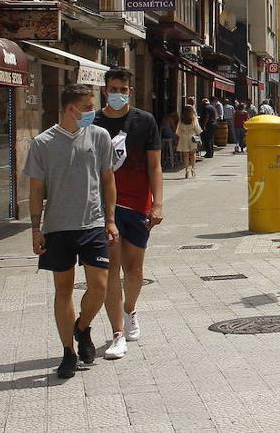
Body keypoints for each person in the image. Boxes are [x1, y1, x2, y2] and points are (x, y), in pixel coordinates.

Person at [26, 84, 118, 378]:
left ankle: (82, 327)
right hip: (57, 227)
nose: (93, 112)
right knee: (63, 290)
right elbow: (36, 188)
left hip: (92, 222)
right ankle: (68, 352)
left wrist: (110, 219)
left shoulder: (100, 136)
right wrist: (34, 228)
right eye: (88, 107)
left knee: (100, 287)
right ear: (71, 109)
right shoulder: (42, 143)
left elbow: (108, 180)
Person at [94, 68, 163, 360]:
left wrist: (157, 203)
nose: (117, 94)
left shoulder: (144, 121)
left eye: (123, 89)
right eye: (112, 89)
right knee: (111, 271)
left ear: (130, 92)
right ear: (104, 90)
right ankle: (117, 333)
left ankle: (130, 308)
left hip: (137, 206)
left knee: (134, 271)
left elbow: (155, 166)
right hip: (102, 207)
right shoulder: (93, 122)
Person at [175, 105, 202, 179]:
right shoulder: (193, 118)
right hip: (192, 137)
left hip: (184, 137)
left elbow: (178, 130)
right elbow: (197, 129)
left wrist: (180, 135)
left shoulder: (181, 119)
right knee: (193, 154)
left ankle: (186, 169)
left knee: (185, 155)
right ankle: (193, 168)